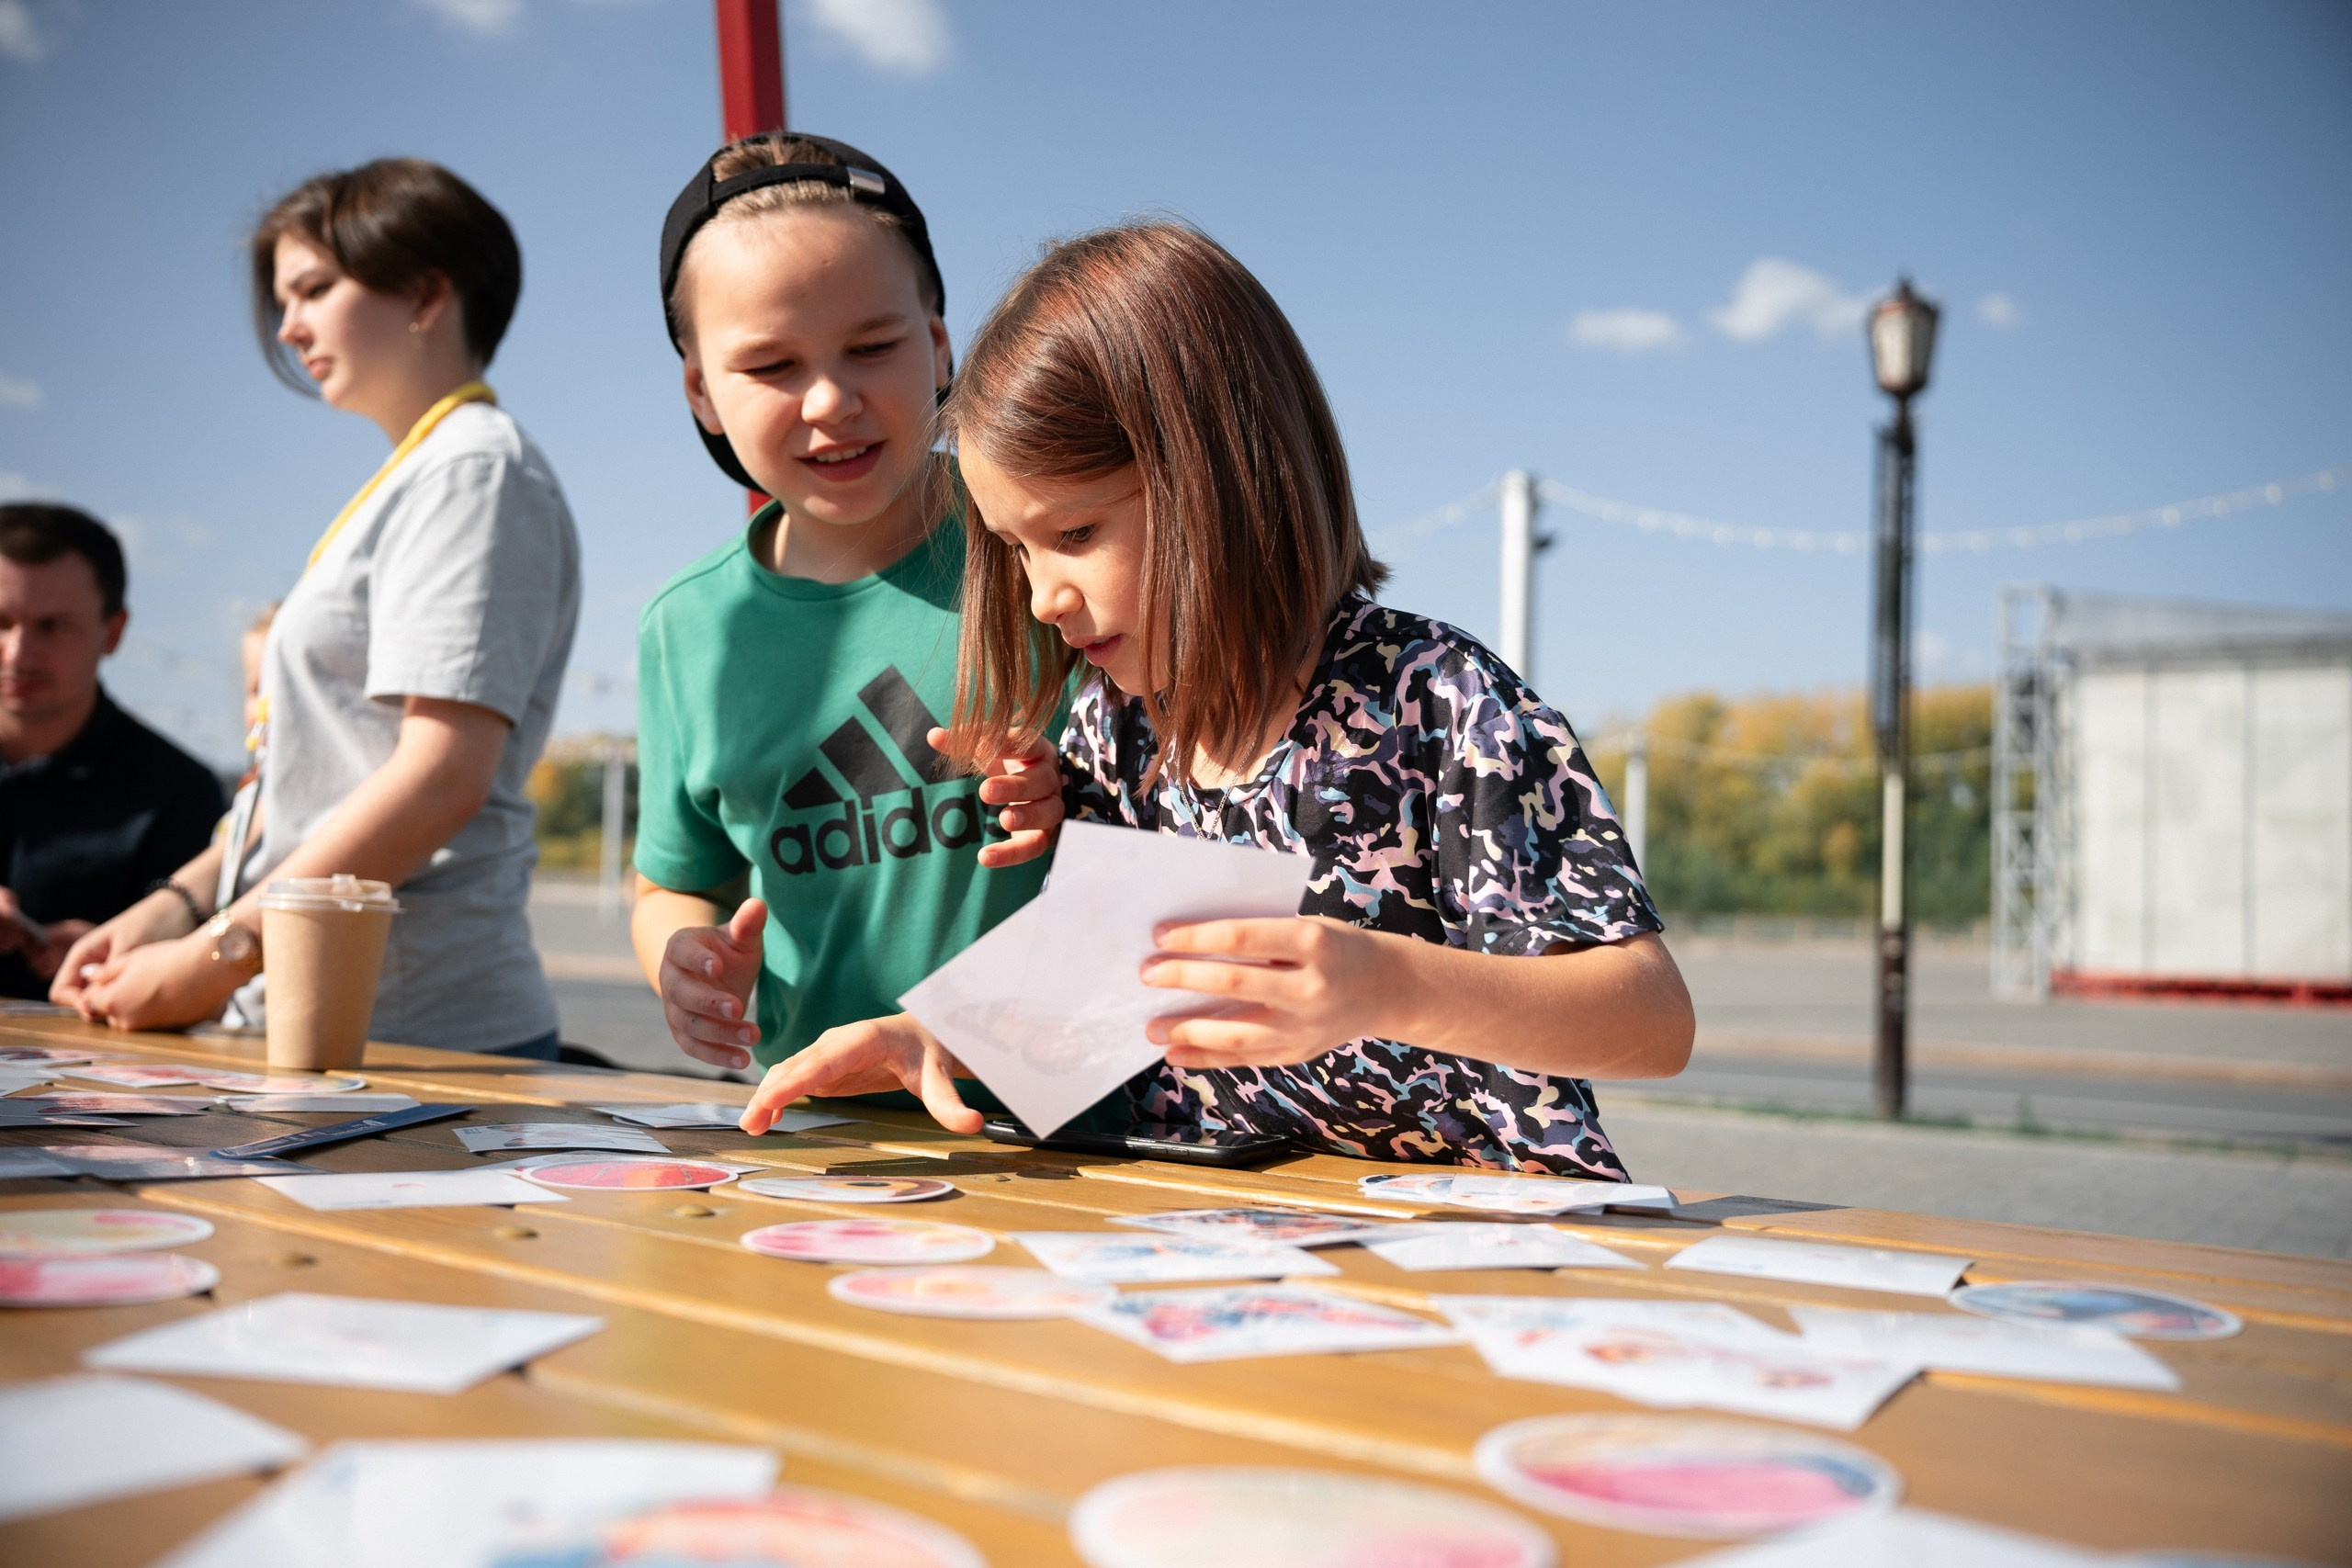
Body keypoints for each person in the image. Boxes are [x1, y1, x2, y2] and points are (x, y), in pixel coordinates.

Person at [742, 222, 1693, 1175]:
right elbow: (1108, 982)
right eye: (1017, 548)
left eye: (1074, 531)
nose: (1041, 597)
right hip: (1228, 1241)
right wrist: (942, 1037)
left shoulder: (1439, 704)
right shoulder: (1109, 727)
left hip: (1484, 1251)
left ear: (1221, 477)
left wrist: (1386, 982)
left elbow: (1651, 1019)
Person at [56, 159, 581, 1057]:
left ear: (424, 292)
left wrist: (213, 957)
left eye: (313, 289)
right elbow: (309, 781)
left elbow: (441, 777)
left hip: (412, 1033)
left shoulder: (472, 470)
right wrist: (169, 909)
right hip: (337, 1014)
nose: (291, 325)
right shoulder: (421, 475)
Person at [633, 132, 1060, 1097]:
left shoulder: (1043, 541)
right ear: (701, 391)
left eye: (873, 347)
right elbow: (672, 878)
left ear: (941, 343)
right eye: (770, 366)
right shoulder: (684, 629)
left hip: (1086, 1124)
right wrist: (682, 956)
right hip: (814, 1138)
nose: (830, 399)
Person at [0, 504, 224, 997]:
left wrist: (120, 962)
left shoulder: (179, 794)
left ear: (114, 631)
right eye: (2, 622)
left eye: (52, 627)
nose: (18, 653)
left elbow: (197, 982)